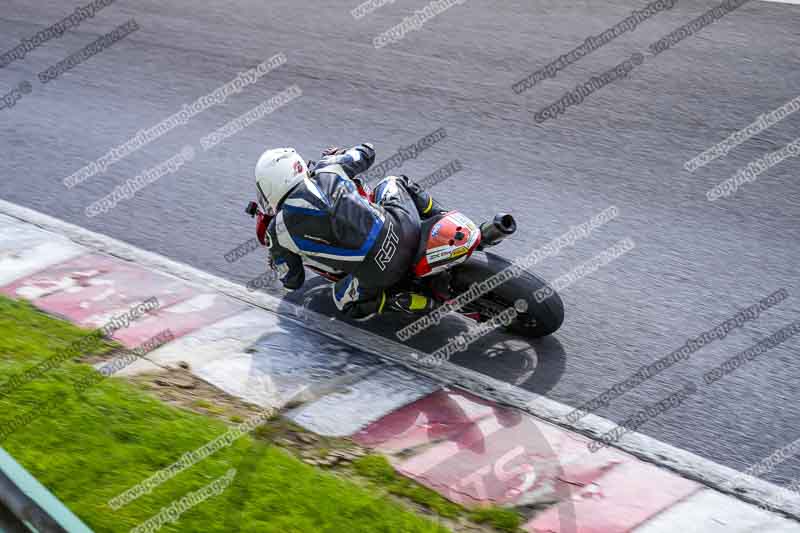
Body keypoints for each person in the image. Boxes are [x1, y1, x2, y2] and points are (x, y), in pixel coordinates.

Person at [255, 143, 445, 320]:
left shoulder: (277, 232)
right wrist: (339, 155)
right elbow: (368, 151)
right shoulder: (328, 169)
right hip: (404, 229)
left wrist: (276, 263)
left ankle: (412, 302)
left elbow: (293, 282)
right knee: (394, 181)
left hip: (379, 272)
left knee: (344, 302)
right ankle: (442, 218)